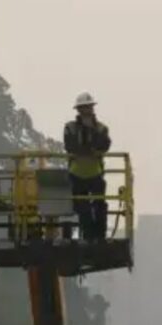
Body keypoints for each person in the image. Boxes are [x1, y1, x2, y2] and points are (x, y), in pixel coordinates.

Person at [64, 93, 111, 241]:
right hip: (77, 173)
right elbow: (70, 146)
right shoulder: (70, 127)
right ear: (78, 110)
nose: (87, 110)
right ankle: (90, 238)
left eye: (88, 107)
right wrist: (89, 149)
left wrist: (91, 137)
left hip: (95, 173)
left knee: (100, 206)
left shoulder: (102, 128)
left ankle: (100, 237)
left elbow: (104, 145)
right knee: (82, 207)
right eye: (84, 108)